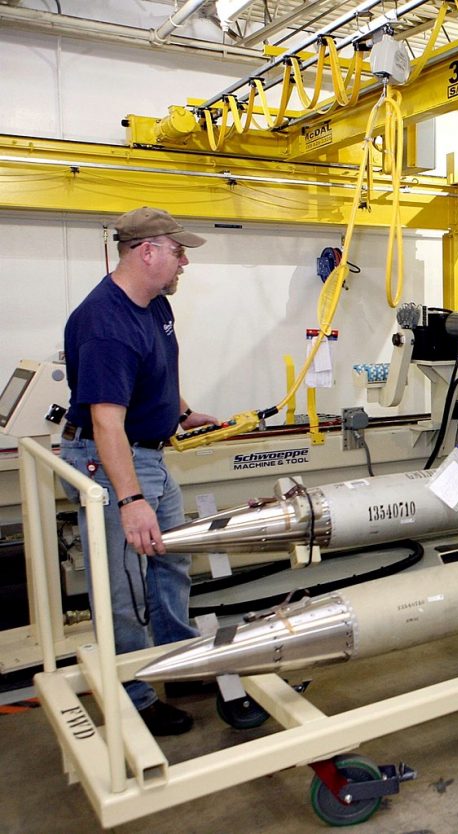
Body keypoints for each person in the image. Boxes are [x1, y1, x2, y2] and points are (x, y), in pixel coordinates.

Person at [60, 207, 217, 736]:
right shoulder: (105, 322)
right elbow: (106, 422)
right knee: (124, 586)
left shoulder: (154, 305)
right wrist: (129, 501)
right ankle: (135, 693)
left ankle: (177, 661)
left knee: (171, 562)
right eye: (178, 251)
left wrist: (180, 411)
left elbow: (157, 373)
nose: (185, 262)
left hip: (150, 453)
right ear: (146, 251)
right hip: (114, 463)